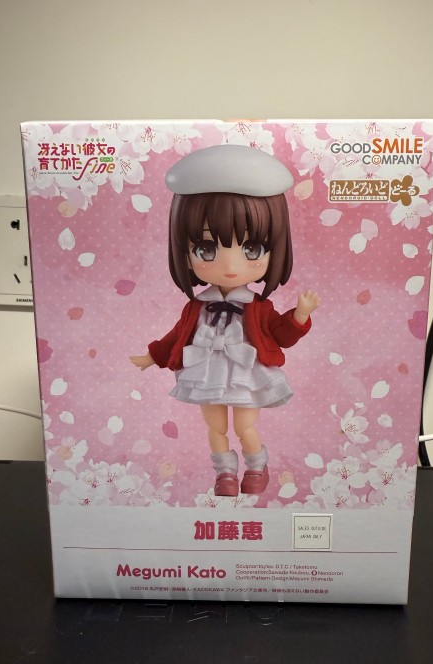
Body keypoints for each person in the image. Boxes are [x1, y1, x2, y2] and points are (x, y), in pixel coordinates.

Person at [130, 145, 319, 496]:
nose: (231, 267)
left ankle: (257, 466)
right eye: (206, 249)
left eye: (252, 250)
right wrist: (152, 356)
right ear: (184, 251)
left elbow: (281, 334)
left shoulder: (257, 307)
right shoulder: (197, 306)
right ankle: (225, 473)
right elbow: (178, 336)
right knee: (215, 427)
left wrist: (300, 315)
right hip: (206, 371)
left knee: (245, 425)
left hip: (247, 371)